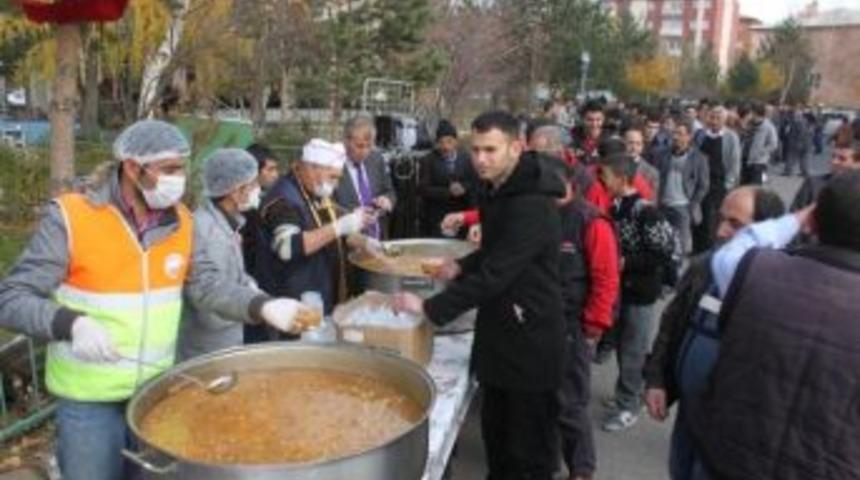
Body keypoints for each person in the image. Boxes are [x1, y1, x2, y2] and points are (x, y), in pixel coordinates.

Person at [0, 120, 306, 480]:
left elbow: (207, 285)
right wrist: (71, 323)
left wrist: (262, 305)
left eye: (182, 168)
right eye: (169, 169)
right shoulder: (72, 217)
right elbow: (11, 297)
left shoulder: (182, 224)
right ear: (132, 167)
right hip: (89, 402)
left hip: (158, 394)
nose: (179, 179)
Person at [394, 111, 566, 479]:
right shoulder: (497, 188)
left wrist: (428, 307)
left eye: (491, 150)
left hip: (530, 345)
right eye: (476, 150)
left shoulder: (532, 203)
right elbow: (494, 253)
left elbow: (497, 274)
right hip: (500, 338)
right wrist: (460, 266)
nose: (481, 159)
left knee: (526, 458)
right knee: (498, 446)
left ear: (516, 148)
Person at [686, 171, 860, 479]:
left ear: (814, 222)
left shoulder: (756, 270)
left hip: (728, 457)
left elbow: (730, 254)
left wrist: (796, 219)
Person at [643, 186, 785, 480]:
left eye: (735, 224)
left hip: (735, 429)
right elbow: (672, 324)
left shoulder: (785, 286)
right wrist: (657, 380)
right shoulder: (703, 266)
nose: (720, 231)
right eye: (721, 219)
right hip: (689, 413)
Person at [177, 149, 307, 359]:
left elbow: (231, 272)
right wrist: (255, 305)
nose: (258, 189)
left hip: (228, 337)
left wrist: (248, 285)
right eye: (253, 184)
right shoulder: (208, 231)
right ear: (236, 192)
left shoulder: (229, 222)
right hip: (209, 346)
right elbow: (210, 296)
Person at [546, 157, 619, 480]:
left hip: (573, 326)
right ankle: (547, 462)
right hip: (539, 323)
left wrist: (593, 326)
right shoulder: (540, 214)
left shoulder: (592, 222)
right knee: (542, 399)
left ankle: (581, 469)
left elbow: (606, 279)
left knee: (570, 401)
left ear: (571, 185)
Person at [598, 154, 676, 432]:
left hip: (640, 292)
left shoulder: (645, 211)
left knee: (633, 349)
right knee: (621, 343)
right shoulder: (615, 206)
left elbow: (664, 252)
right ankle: (626, 394)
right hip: (620, 289)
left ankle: (629, 404)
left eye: (605, 175)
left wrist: (626, 262)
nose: (601, 180)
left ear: (621, 178)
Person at [256, 139, 374, 319]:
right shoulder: (282, 199)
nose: (335, 185)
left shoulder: (314, 191)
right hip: (292, 300)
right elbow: (288, 247)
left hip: (319, 294)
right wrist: (340, 226)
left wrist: (364, 241)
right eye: (332, 177)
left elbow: (329, 228)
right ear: (312, 168)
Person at [241, 143, 281, 343]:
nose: (276, 175)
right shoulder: (242, 210)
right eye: (270, 169)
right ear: (254, 171)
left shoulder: (264, 201)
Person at [334, 115, 397, 239]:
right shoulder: (333, 165)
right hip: (347, 242)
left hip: (378, 238)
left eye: (369, 146)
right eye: (359, 146)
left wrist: (387, 200)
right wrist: (351, 215)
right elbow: (325, 206)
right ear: (345, 141)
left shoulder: (376, 159)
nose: (364, 152)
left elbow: (390, 191)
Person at [655, 119, 710, 255]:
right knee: (663, 244)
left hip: (683, 207)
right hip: (664, 205)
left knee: (683, 247)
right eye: (674, 133)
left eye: (680, 133)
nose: (675, 137)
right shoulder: (664, 154)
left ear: (689, 136)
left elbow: (703, 185)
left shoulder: (699, 158)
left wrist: (692, 204)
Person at [417, 120, 478, 237]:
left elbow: (475, 183)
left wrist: (464, 188)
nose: (445, 147)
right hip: (436, 220)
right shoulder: (427, 160)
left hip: (461, 219)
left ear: (456, 141)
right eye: (441, 142)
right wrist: (448, 192)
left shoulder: (468, 159)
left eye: (449, 142)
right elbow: (422, 189)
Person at [693, 105, 742, 253]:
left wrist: (729, 184)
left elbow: (734, 163)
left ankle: (710, 247)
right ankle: (698, 245)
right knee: (698, 213)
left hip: (718, 183)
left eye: (718, 118)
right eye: (712, 117)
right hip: (701, 181)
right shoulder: (700, 135)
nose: (714, 121)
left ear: (724, 121)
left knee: (712, 216)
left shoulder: (731, 137)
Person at [791, 139, 860, 211]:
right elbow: (794, 215)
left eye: (842, 159)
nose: (834, 162)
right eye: (833, 156)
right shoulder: (813, 184)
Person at [741, 102, 779, 185]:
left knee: (755, 186)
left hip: (758, 163)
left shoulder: (768, 126)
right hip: (745, 159)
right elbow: (743, 137)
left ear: (755, 113)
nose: (748, 114)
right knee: (743, 186)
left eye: (750, 112)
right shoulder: (749, 124)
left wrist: (760, 152)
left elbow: (773, 144)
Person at [624, 125, 660, 195]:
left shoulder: (652, 173)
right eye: (630, 143)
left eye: (638, 144)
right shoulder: (613, 168)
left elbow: (653, 199)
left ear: (642, 146)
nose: (634, 147)